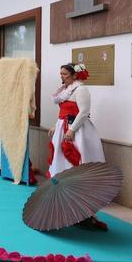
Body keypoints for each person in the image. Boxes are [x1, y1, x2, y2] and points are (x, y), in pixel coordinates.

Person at [48, 63, 108, 230]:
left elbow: (83, 112)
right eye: (60, 73)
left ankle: (84, 211)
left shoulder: (81, 90)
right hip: (64, 129)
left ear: (75, 75)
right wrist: (56, 124)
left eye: (65, 74)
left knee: (78, 165)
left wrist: (72, 130)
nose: (62, 76)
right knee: (62, 167)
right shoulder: (63, 91)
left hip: (77, 132)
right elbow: (63, 112)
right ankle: (67, 208)